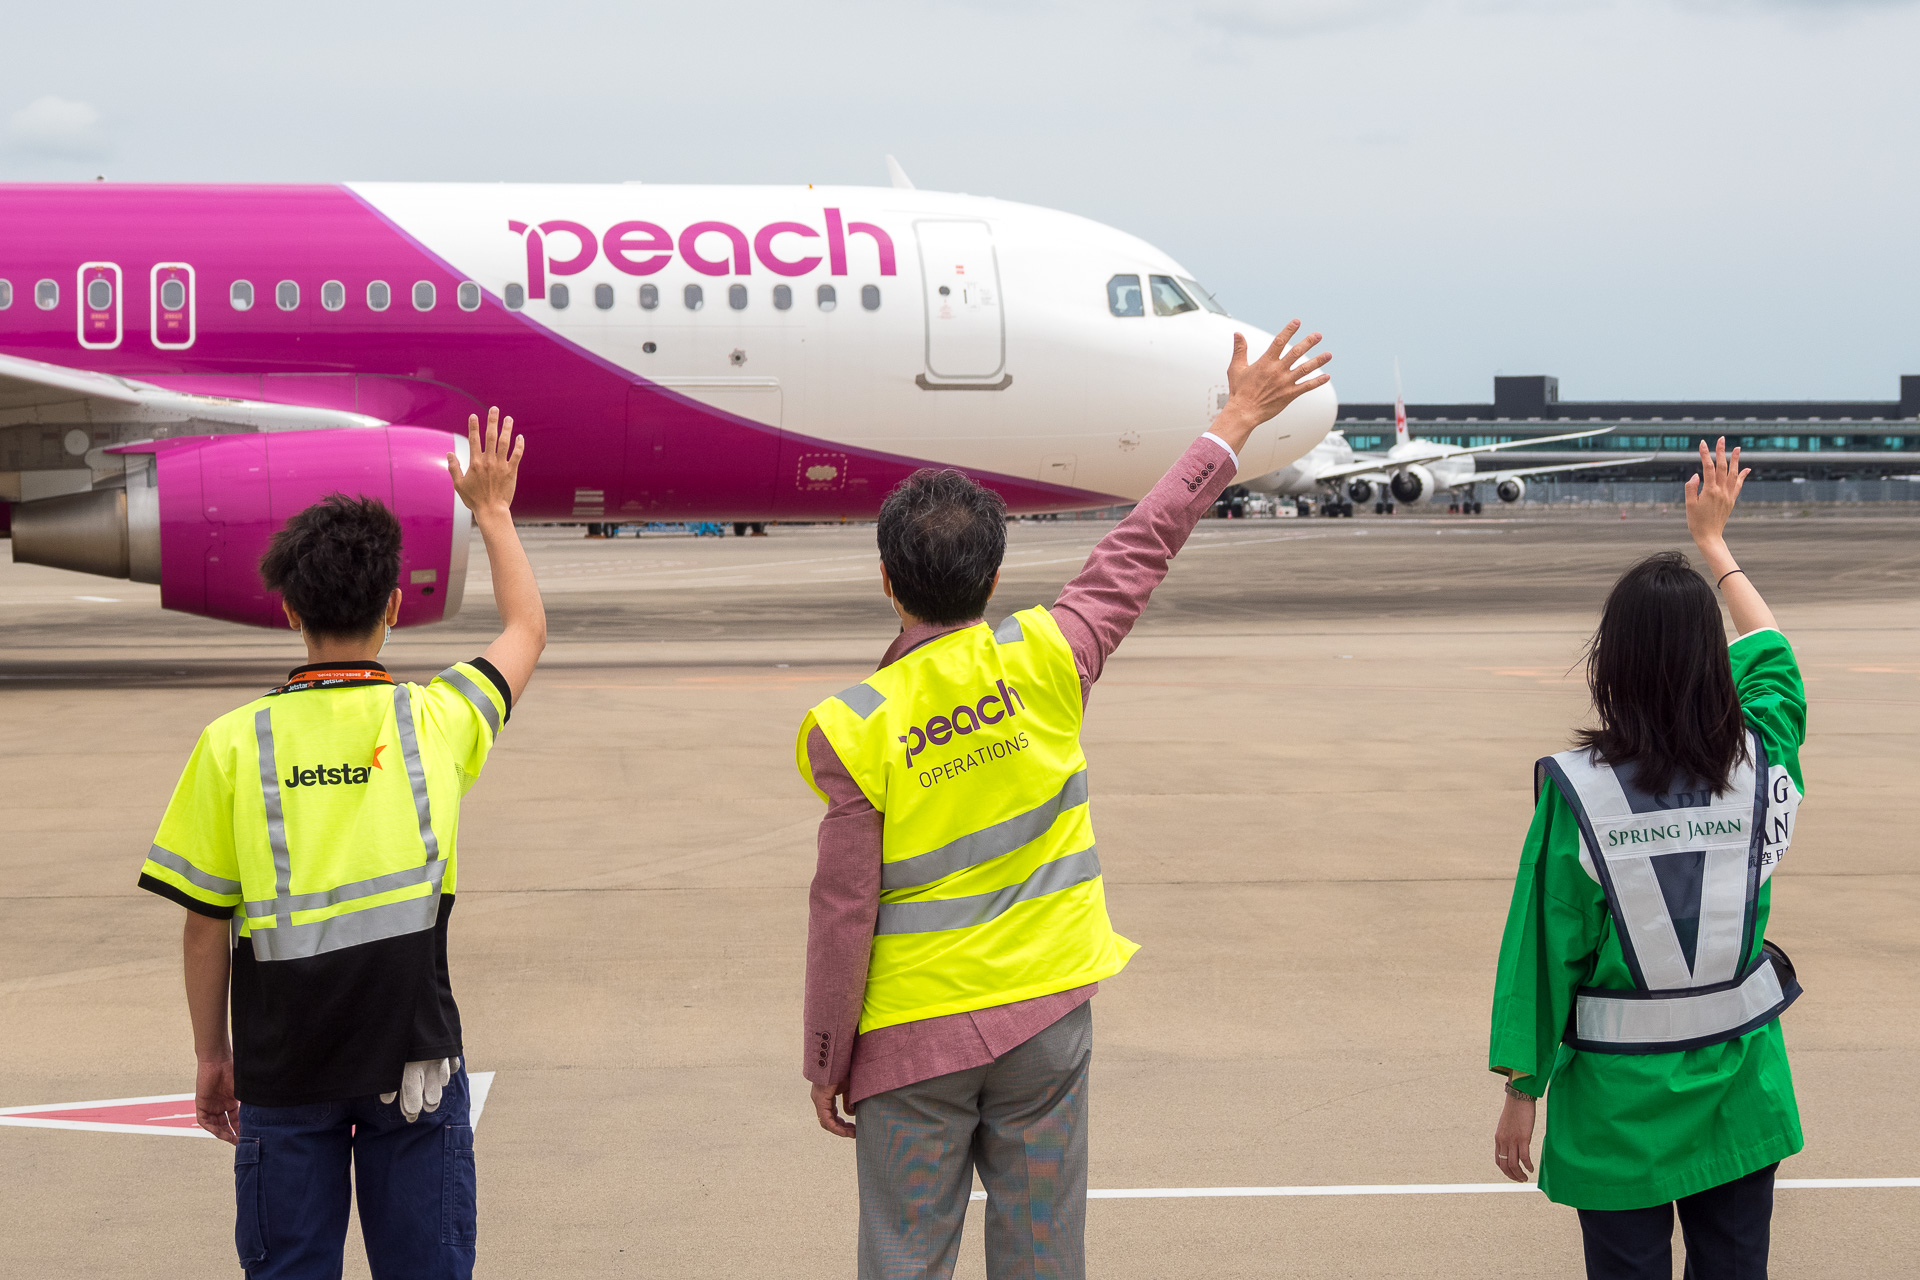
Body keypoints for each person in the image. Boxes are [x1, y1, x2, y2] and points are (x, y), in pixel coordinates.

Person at [797, 324, 1330, 1280]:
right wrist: (1236, 419)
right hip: (1045, 1019)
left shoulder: (853, 725)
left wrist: (828, 1055)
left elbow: (843, 912)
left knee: (904, 1256)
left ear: (887, 581)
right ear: (995, 578)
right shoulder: (1051, 654)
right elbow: (1147, 540)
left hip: (912, 1045)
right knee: (1044, 1256)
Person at [134, 409, 545, 1280]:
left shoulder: (233, 743)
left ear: (288, 609)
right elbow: (525, 633)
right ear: (397, 604)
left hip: (285, 1071)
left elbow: (205, 923)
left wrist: (215, 1058)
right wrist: (494, 512)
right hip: (415, 1061)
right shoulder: (433, 720)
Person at [1487, 439, 1807, 1280]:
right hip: (1741, 1090)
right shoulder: (1765, 757)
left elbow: (1542, 954)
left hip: (1619, 1110)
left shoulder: (1582, 795)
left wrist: (1524, 1087)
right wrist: (1715, 543)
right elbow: (1773, 654)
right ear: (1713, 663)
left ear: (1612, 664)